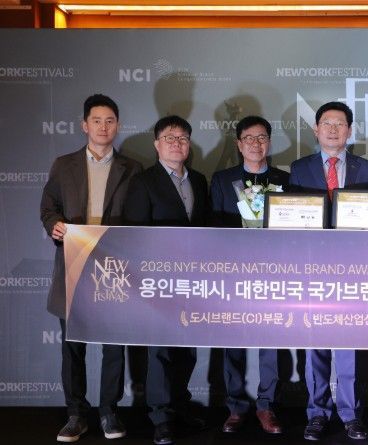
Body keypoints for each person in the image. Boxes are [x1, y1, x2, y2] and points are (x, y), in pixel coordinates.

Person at [40, 94, 142, 443]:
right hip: (74, 264)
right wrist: (53, 225)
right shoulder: (63, 165)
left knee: (113, 346)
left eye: (110, 120)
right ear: (85, 125)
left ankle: (109, 412)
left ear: (118, 125)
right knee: (73, 347)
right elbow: (48, 207)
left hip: (115, 269)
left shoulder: (133, 168)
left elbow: (139, 217)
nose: (103, 126)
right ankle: (75, 414)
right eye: (96, 120)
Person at [289, 101, 368, 441]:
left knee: (347, 343)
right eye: (326, 123)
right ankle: (317, 413)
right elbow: (292, 218)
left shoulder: (366, 168)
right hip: (311, 267)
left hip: (351, 268)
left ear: (349, 131)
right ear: (316, 129)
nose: (332, 129)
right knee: (315, 342)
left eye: (339, 124)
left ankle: (351, 414)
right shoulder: (299, 169)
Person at [123, 115, 209, 445]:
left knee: (186, 348)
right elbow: (135, 235)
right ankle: (160, 416)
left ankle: (179, 405)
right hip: (157, 281)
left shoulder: (199, 180)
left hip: (193, 279)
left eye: (183, 138)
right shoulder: (143, 182)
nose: (177, 143)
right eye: (170, 138)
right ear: (157, 144)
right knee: (160, 350)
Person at [210, 115, 288, 434]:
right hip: (234, 272)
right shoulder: (222, 180)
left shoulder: (285, 179)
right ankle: (235, 406)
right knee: (233, 341)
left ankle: (267, 405)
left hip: (274, 272)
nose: (256, 144)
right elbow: (214, 228)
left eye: (262, 138)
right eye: (249, 138)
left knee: (271, 342)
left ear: (269, 142)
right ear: (239, 144)